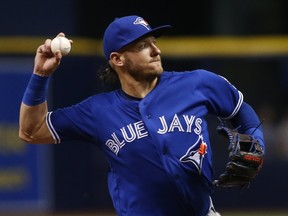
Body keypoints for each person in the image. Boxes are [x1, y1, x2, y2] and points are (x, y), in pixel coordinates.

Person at [19, 15, 265, 216]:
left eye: (154, 42)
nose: (156, 50)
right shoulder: (98, 110)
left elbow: (242, 112)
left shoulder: (198, 83)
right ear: (118, 59)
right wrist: (40, 75)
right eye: (143, 45)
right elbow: (32, 130)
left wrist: (258, 145)